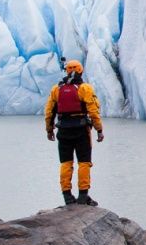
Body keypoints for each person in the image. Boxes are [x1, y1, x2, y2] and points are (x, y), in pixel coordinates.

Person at [44, 59, 104, 206]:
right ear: (80, 71)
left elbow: (49, 112)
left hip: (63, 130)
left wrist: (49, 129)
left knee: (66, 163)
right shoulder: (84, 88)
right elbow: (93, 111)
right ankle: (83, 196)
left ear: (67, 71)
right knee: (84, 162)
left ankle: (67, 196)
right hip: (81, 130)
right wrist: (99, 129)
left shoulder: (56, 90)